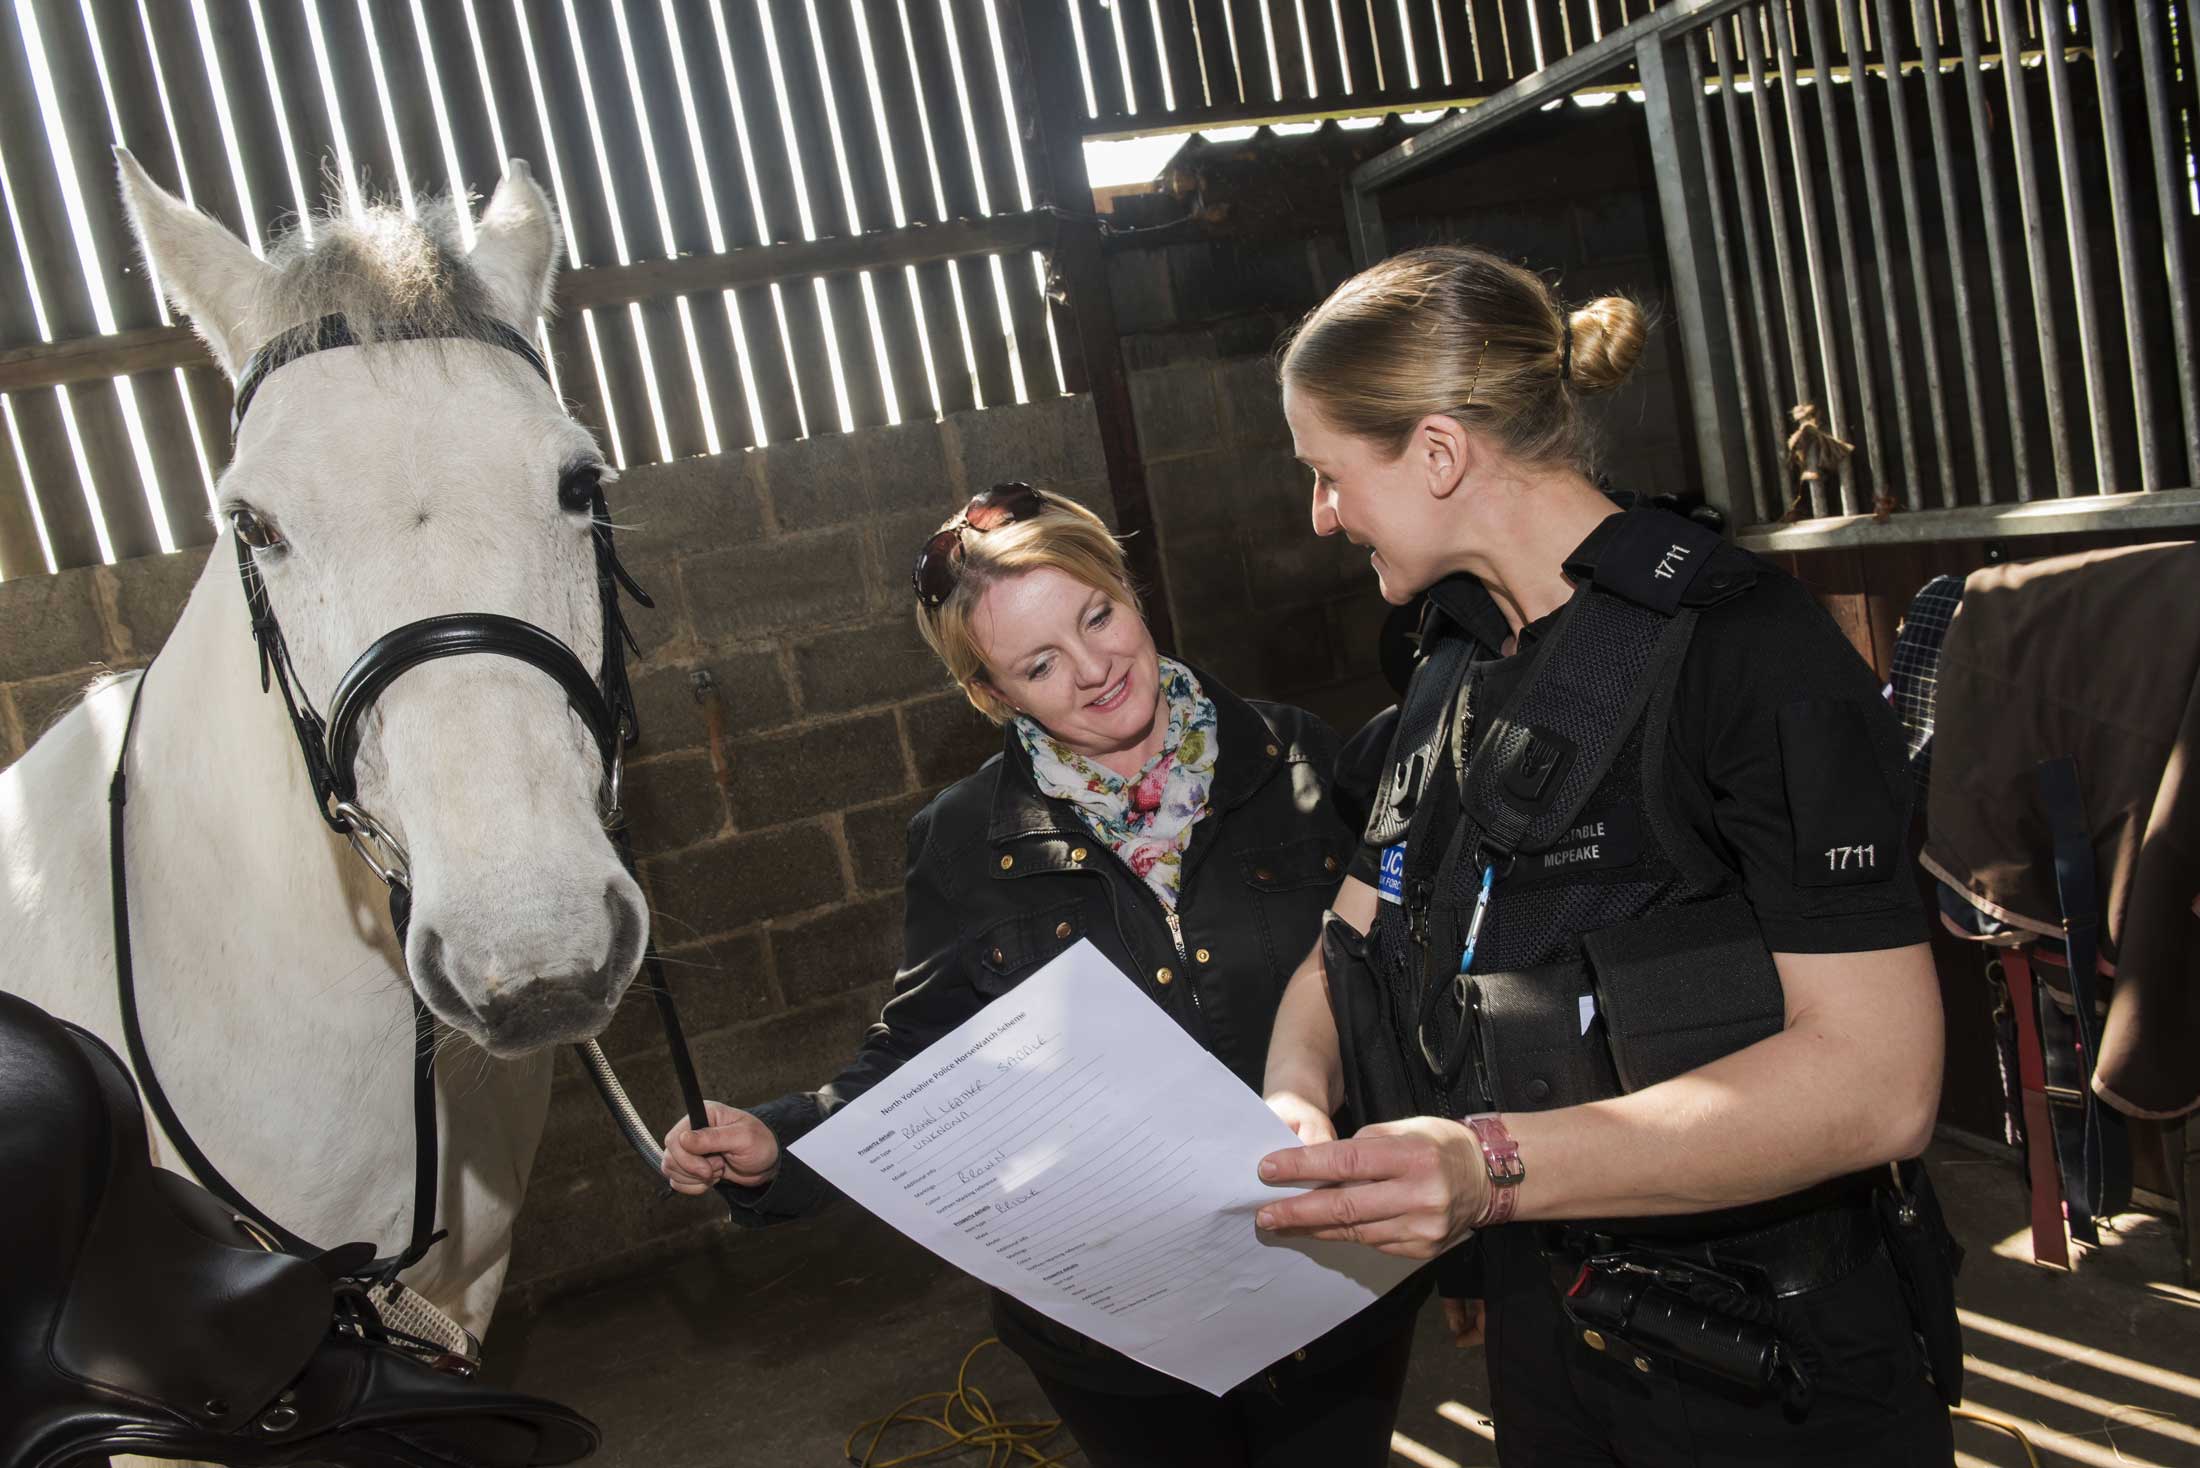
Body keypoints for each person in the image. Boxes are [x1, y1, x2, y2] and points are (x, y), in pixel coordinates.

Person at [1251, 246, 1961, 1464]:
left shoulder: (1746, 656)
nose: (1318, 515)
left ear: (1435, 453)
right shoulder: (1450, 664)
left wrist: (1491, 1166)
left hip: (1764, 1364)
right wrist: (1294, 1102)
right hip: (1555, 1326)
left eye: (1327, 473)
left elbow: (1880, 1083)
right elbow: (1351, 937)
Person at [661, 485, 1430, 1468]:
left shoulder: (1302, 761)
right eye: (1038, 663)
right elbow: (920, 1052)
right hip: (1121, 1330)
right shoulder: (960, 841)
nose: (1095, 669)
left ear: (1128, 588)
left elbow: (1390, 984)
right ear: (993, 693)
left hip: (1333, 1277)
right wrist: (782, 1143)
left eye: (1096, 615)